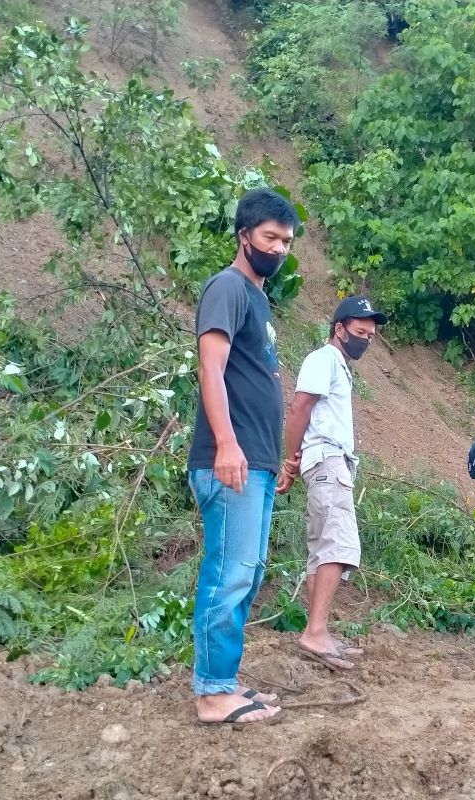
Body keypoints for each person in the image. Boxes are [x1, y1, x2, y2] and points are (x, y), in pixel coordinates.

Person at [187, 187, 298, 726]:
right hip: (228, 457)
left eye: (287, 241)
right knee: (229, 573)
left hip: (255, 460)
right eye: (270, 238)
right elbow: (211, 369)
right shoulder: (227, 287)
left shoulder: (258, 297)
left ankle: (224, 681)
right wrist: (227, 443)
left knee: (247, 573)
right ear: (244, 236)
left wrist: (275, 460)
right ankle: (212, 694)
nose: (278, 249)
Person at [276, 296, 387, 670]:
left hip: (326, 462)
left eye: (370, 335)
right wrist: (290, 461)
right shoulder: (323, 359)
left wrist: (296, 462)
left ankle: (316, 630)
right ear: (338, 329)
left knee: (321, 549)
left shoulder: (337, 363)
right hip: (326, 461)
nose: (366, 341)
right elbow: (299, 408)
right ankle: (315, 633)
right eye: (359, 332)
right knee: (339, 546)